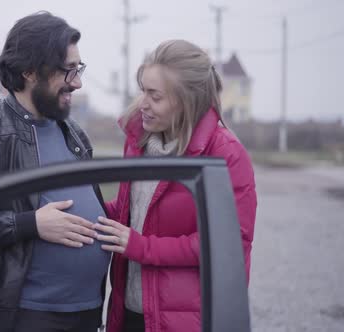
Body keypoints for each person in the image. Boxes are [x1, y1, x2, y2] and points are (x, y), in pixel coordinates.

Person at [0, 12, 109, 332]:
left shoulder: (72, 131)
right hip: (31, 317)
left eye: (78, 68)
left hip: (87, 310)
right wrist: (31, 224)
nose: (78, 82)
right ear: (29, 72)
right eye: (67, 70)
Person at [95, 39, 257, 332]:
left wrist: (141, 247)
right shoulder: (139, 142)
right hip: (131, 313)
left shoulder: (226, 154)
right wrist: (85, 209)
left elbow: (225, 245)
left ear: (186, 100)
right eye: (142, 90)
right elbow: (132, 212)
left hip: (187, 320)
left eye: (154, 96)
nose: (143, 103)